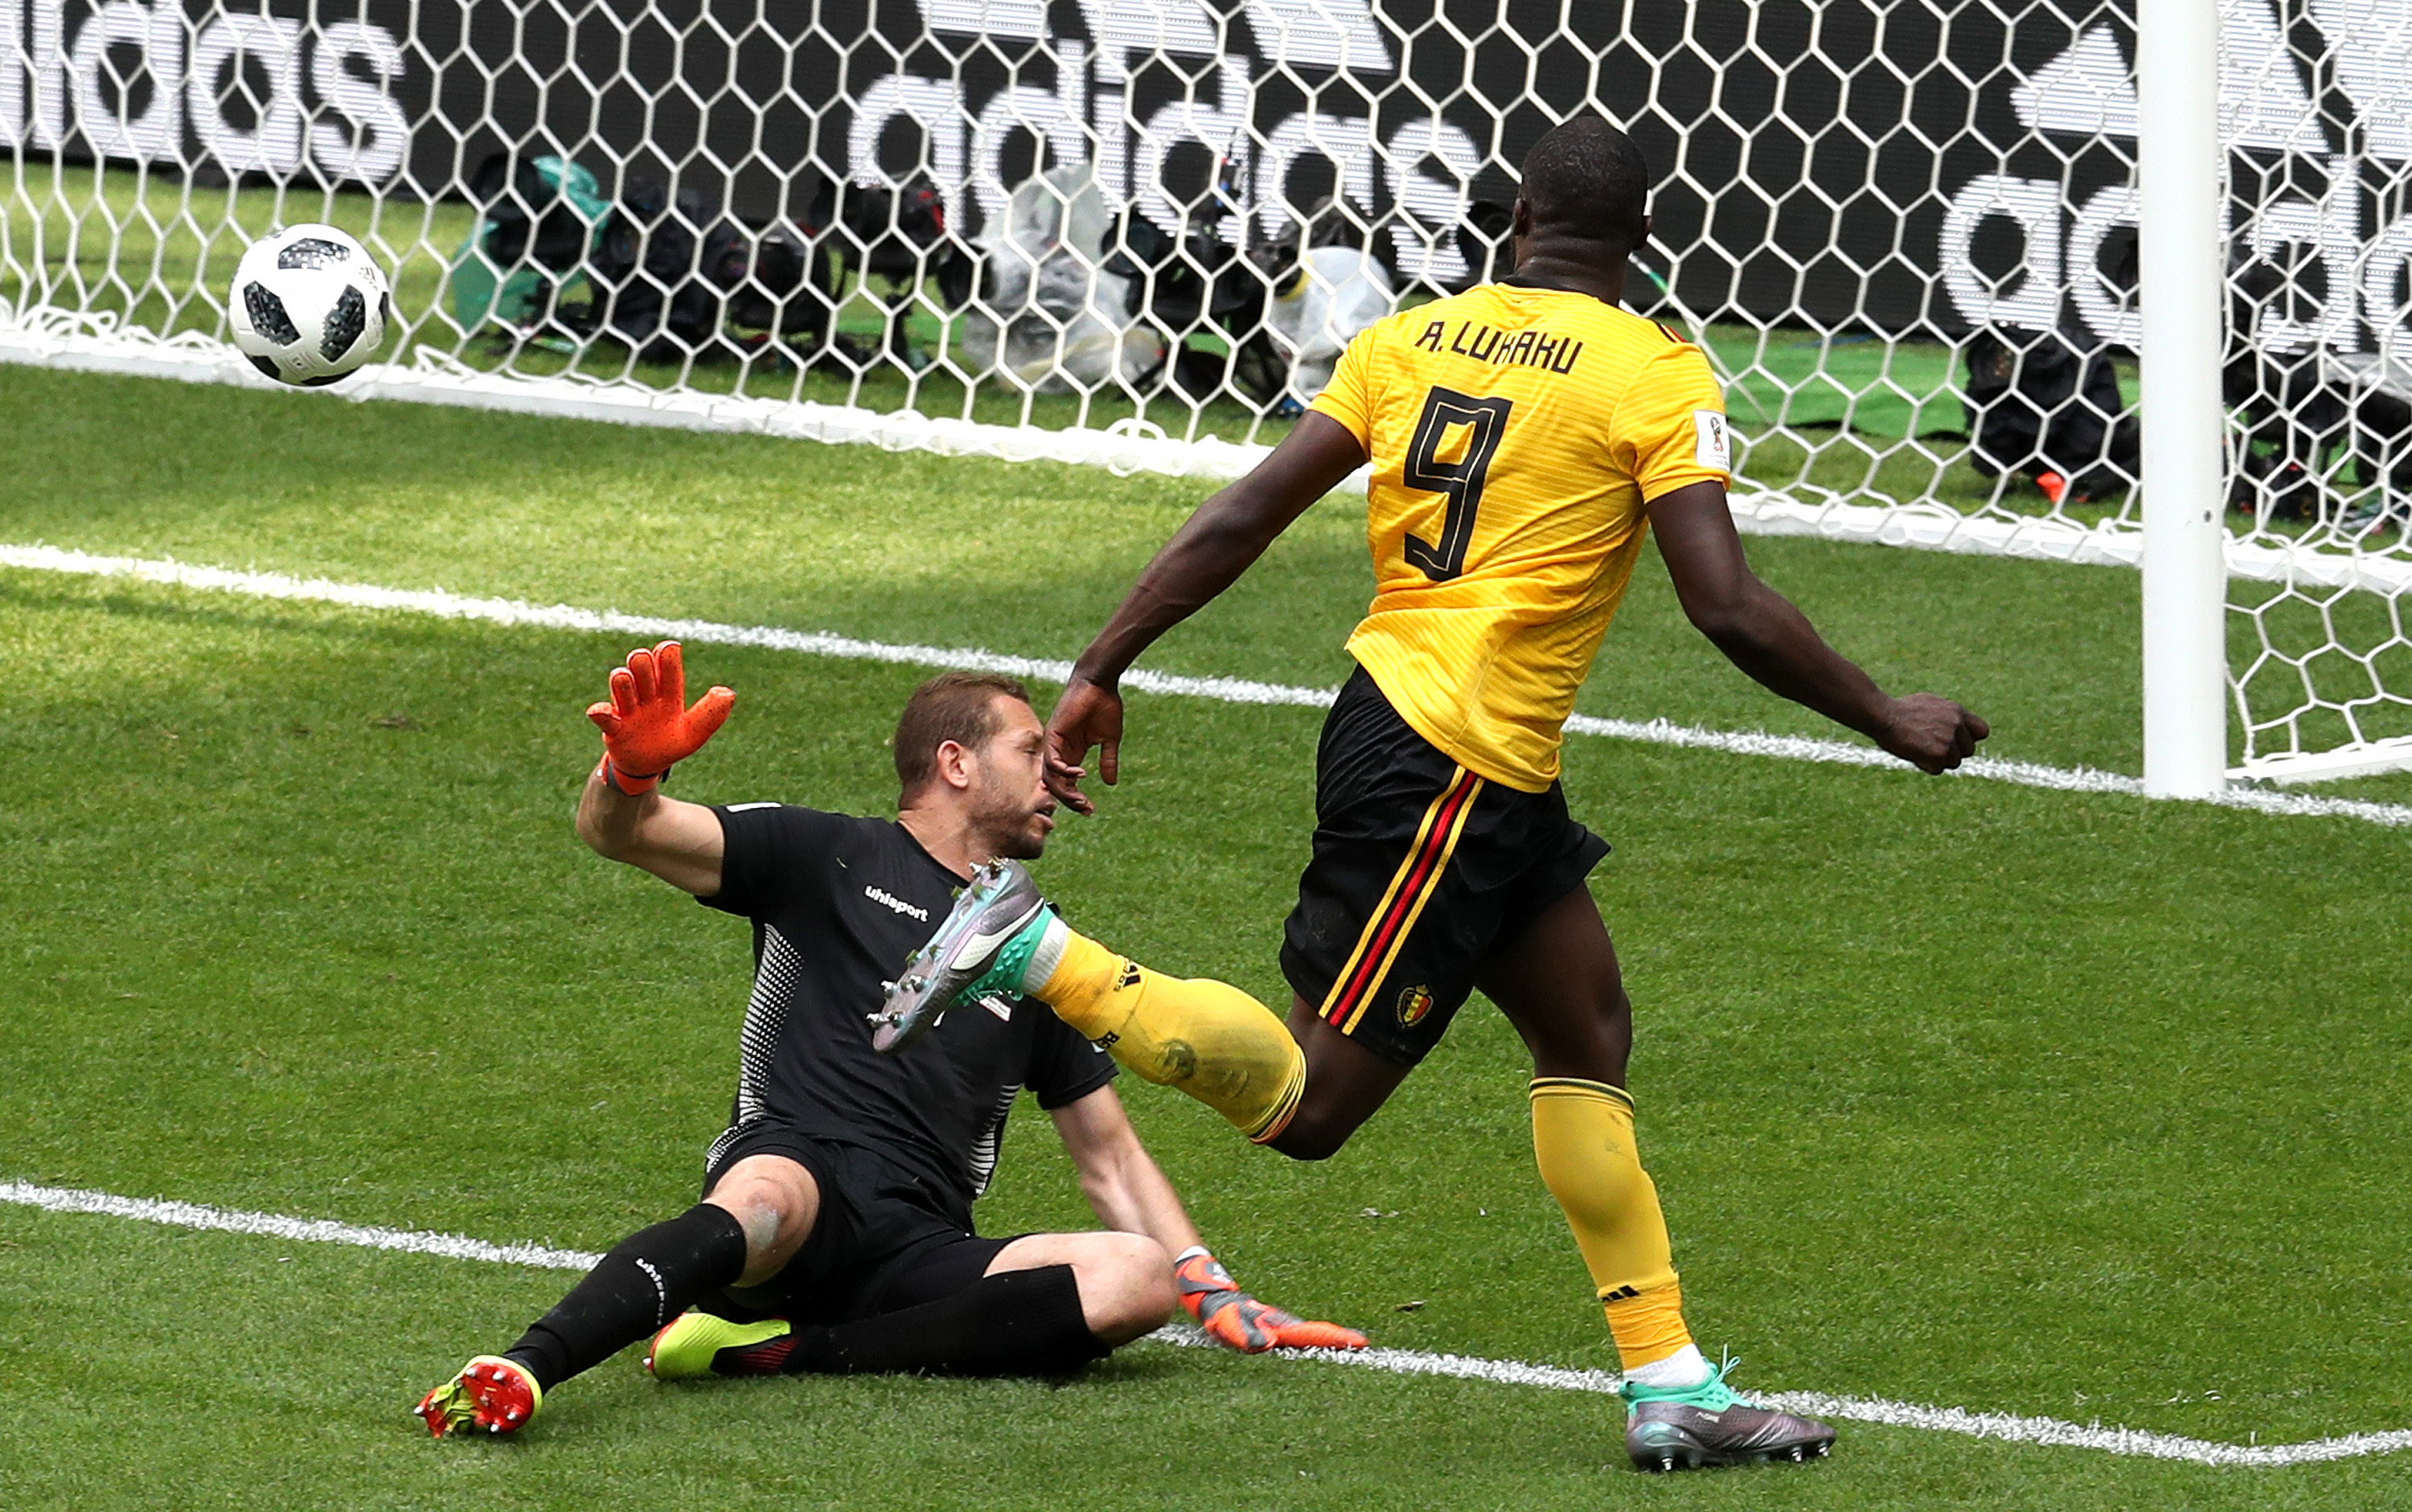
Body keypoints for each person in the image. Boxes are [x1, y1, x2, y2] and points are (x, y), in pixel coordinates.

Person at [873, 117, 1988, 1473]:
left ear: (1515, 221)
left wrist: (1104, 661)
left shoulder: (1412, 340)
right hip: (1447, 761)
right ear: (1643, 242)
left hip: (1455, 753)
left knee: (1590, 1025)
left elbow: (1247, 511)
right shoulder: (1654, 370)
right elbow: (1727, 604)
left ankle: (1670, 1385)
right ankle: (1039, 951)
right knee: (1310, 1104)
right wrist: (1885, 713)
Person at [416, 647, 1362, 1439]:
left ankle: (778, 1351)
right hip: (800, 1174)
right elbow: (620, 834)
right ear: (955, 763)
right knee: (764, 1198)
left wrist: (1213, 1292)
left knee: (1134, 1278)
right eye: (1032, 751)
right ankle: (527, 1366)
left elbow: (1109, 1156)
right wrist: (629, 774)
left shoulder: (1039, 945)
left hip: (919, 1249)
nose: (1055, 775)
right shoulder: (824, 854)